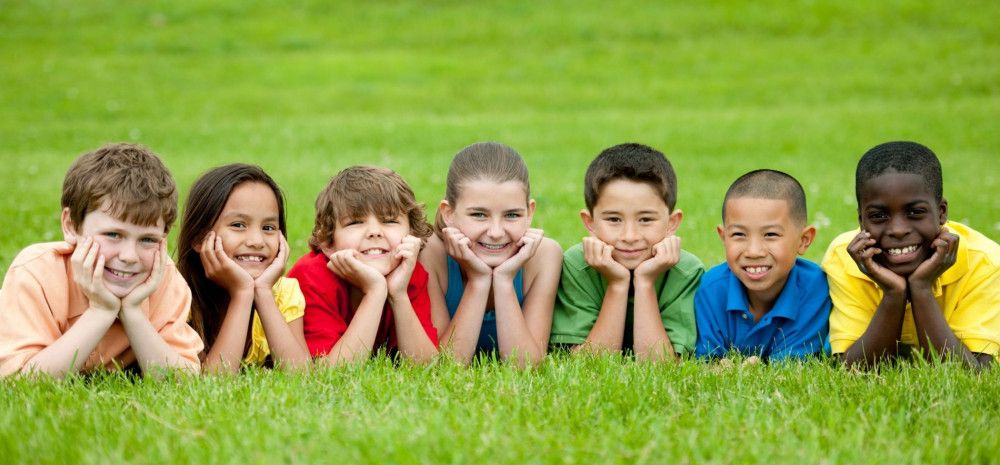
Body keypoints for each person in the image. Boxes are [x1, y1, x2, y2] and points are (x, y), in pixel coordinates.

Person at [0, 143, 202, 377]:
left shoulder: (164, 279)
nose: (129, 257)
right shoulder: (37, 272)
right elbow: (20, 381)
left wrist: (133, 312)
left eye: (147, 239)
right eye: (113, 235)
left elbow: (183, 381)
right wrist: (101, 311)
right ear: (71, 225)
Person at [823, 141, 1000, 369]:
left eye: (915, 212)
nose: (898, 230)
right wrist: (893, 293)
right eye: (878, 216)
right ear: (861, 220)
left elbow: (975, 371)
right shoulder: (846, 257)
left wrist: (921, 288)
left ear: (942, 212)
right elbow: (853, 369)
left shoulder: (985, 262)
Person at [551, 143, 703, 361]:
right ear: (590, 222)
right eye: (614, 219)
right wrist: (617, 283)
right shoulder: (577, 265)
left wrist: (645, 282)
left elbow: (659, 367)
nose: (630, 236)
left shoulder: (686, 271)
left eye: (646, 219)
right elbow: (590, 365)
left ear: (672, 223)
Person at [419, 142, 562, 366]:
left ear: (529, 212)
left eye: (512, 215)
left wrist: (504, 280)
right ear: (449, 213)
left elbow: (525, 367)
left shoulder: (544, 256)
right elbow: (446, 366)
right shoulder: (431, 254)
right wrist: (478, 280)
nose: (496, 232)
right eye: (479, 215)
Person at [288, 166, 439, 365]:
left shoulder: (408, 272)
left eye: (390, 221)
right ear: (328, 243)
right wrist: (375, 291)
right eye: (355, 222)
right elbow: (332, 373)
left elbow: (425, 366)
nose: (374, 232)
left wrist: (398, 295)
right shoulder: (311, 276)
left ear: (411, 235)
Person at [177, 164, 310, 373]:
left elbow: (301, 375)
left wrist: (263, 292)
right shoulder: (178, 294)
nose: (257, 241)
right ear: (199, 237)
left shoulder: (283, 292)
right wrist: (242, 293)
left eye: (268, 228)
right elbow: (213, 383)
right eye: (238, 225)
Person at [695, 169, 829, 361]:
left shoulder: (816, 288)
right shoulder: (711, 289)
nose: (754, 251)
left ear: (804, 240)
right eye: (739, 235)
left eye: (771, 235)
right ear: (723, 237)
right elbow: (709, 362)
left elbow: (790, 367)